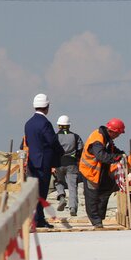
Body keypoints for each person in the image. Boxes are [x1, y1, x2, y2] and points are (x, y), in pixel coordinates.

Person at [24, 93, 64, 228]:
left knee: (35, 192)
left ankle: (38, 219)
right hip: (43, 162)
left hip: (32, 162)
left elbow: (28, 142)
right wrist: (61, 152)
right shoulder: (45, 123)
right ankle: (38, 220)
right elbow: (52, 141)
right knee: (41, 192)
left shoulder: (28, 123)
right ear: (47, 107)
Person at [79, 118, 126, 228]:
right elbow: (101, 156)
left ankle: (99, 218)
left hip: (100, 172)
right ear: (113, 131)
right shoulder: (98, 140)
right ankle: (96, 221)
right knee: (92, 197)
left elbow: (111, 149)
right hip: (90, 171)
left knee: (105, 191)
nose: (118, 136)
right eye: (118, 134)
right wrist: (116, 158)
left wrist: (120, 153)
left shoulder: (106, 137)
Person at [54, 115, 83, 216]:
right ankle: (73, 207)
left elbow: (51, 150)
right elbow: (80, 150)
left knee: (59, 182)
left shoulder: (55, 137)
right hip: (72, 164)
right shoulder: (76, 137)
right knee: (72, 186)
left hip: (59, 163)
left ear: (59, 125)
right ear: (69, 125)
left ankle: (61, 196)